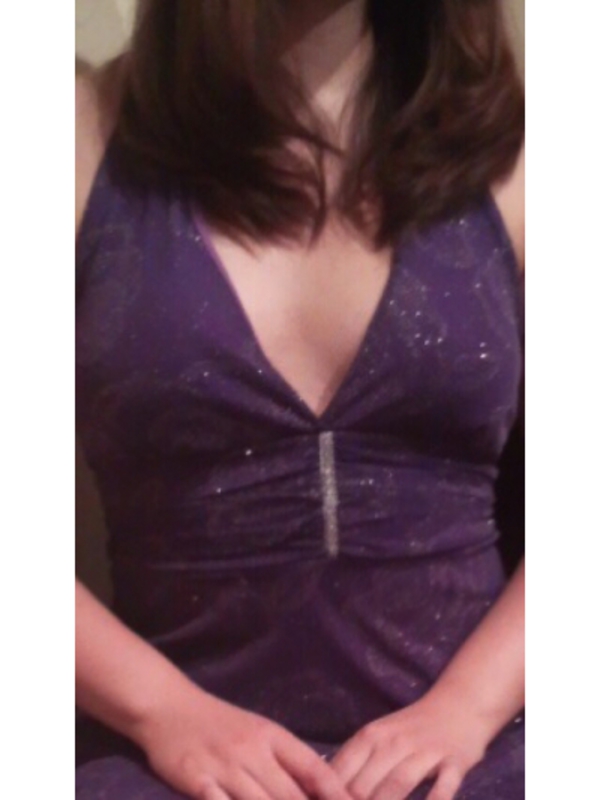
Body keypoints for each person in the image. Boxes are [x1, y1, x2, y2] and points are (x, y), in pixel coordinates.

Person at [75, 1, 525, 798]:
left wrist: (467, 707)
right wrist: (164, 712)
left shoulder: (531, 156)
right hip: (163, 760)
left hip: (485, 746)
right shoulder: (65, 140)